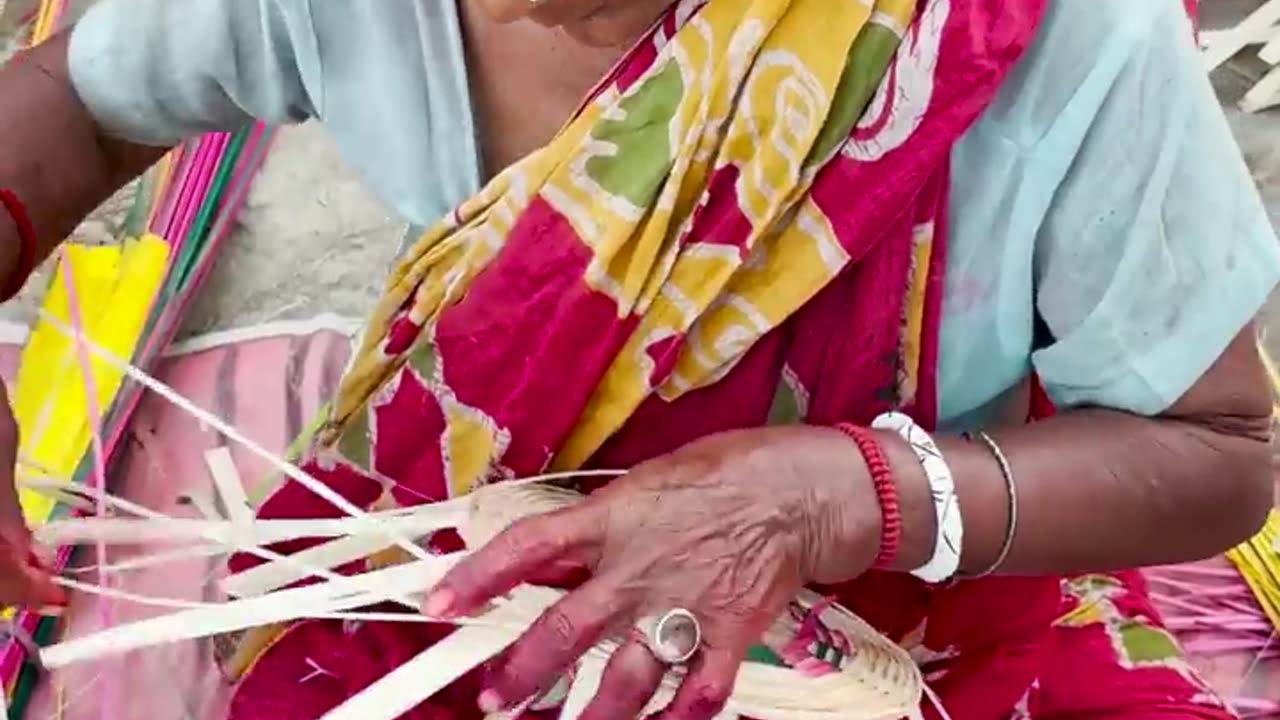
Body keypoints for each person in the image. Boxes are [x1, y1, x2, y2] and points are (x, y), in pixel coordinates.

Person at [0, 0, 1277, 718]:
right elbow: (77, 97)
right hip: (487, 557)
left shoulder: (1046, 30)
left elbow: (1220, 450)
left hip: (920, 603)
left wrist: (836, 498)